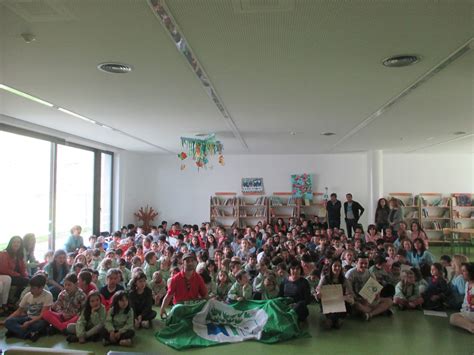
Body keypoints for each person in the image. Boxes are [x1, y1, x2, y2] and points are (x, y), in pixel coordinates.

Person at [2, 274, 52, 342]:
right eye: (30, 287)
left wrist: (29, 323)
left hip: (40, 320)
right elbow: (18, 311)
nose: (31, 290)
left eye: (33, 288)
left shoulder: (48, 295)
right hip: (28, 317)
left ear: (41, 288)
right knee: (9, 322)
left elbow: (42, 315)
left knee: (39, 325)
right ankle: (29, 334)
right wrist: (6, 321)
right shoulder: (28, 295)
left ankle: (15, 331)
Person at [345, 254, 392, 321]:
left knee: (389, 301)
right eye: (361, 263)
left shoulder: (369, 272)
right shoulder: (350, 274)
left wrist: (377, 294)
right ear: (356, 263)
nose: (364, 265)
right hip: (357, 301)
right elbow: (349, 292)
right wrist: (360, 299)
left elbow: (375, 288)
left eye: (366, 263)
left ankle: (370, 314)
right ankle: (379, 311)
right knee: (356, 305)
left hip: (369, 300)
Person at [160, 253, 208, 318]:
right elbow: (169, 295)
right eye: (187, 261)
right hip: (179, 307)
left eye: (192, 261)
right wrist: (162, 308)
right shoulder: (175, 278)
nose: (190, 263)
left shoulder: (198, 278)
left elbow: (205, 295)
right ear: (182, 263)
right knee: (178, 311)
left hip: (193, 307)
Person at [316, 259, 353, 329]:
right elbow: (318, 291)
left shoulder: (344, 280)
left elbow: (351, 297)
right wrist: (318, 294)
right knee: (332, 321)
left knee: (336, 321)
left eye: (339, 266)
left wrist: (346, 297)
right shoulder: (325, 278)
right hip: (329, 304)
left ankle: (333, 320)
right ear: (331, 267)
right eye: (335, 266)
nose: (337, 268)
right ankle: (333, 320)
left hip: (340, 304)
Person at [0, 236, 29, 304]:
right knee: (29, 282)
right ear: (10, 243)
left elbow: (23, 269)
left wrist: (25, 275)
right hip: (6, 276)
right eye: (14, 242)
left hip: (16, 276)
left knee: (32, 278)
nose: (16, 244)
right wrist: (18, 275)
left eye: (18, 242)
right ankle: (20, 303)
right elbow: (4, 269)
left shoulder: (19, 255)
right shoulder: (4, 254)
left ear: (21, 244)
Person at [449, 262, 474, 334]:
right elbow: (466, 302)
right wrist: (464, 311)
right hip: (469, 312)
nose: (462, 273)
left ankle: (471, 327)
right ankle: (471, 327)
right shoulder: (467, 284)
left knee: (453, 317)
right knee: (453, 317)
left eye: (464, 271)